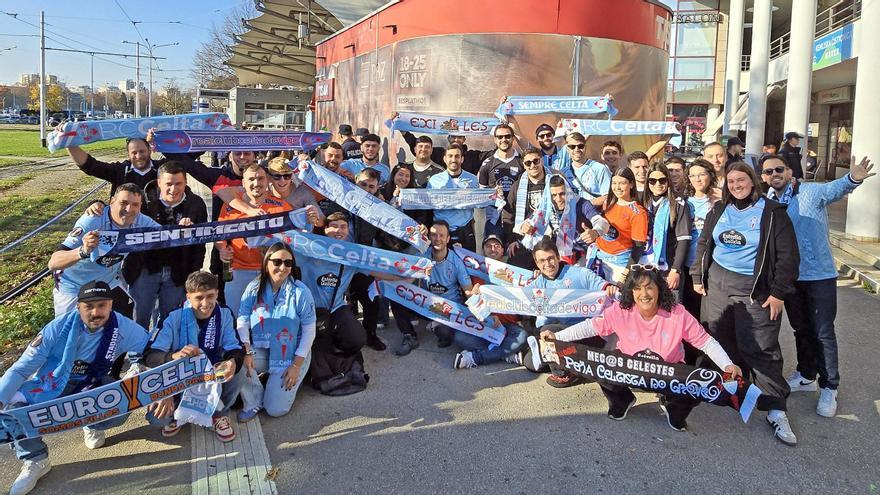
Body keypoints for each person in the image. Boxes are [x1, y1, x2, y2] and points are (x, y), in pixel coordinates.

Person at [541, 266, 742, 429]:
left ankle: (672, 407)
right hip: (628, 369)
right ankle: (622, 400)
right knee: (598, 363)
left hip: (668, 373)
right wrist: (557, 337)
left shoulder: (677, 313)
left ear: (659, 290)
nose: (643, 294)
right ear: (630, 291)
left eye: (649, 287)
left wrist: (727, 365)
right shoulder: (621, 310)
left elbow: (705, 341)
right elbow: (590, 327)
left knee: (698, 384)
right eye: (637, 288)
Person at [0, 281, 151, 495]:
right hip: (51, 384)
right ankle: (36, 460)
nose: (96, 312)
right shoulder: (56, 328)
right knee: (13, 409)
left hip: (92, 384)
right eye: (89, 306)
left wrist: (167, 359)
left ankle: (93, 424)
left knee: (124, 397)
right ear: (78, 307)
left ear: (111, 305)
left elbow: (151, 346)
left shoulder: (123, 326)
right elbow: (21, 369)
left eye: (101, 305)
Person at [691, 162, 800, 446]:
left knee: (760, 346)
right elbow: (704, 244)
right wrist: (697, 275)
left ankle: (775, 407)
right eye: (731, 181)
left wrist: (778, 293)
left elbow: (788, 258)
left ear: (752, 181)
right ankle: (727, 390)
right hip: (717, 285)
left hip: (755, 288)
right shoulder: (718, 210)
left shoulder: (772, 213)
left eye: (741, 180)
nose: (736, 185)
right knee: (717, 337)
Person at [762, 154, 875, 418]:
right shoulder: (768, 201)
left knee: (823, 331)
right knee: (801, 329)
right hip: (790, 277)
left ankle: (829, 385)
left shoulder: (811, 192)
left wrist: (853, 178)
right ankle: (806, 374)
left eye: (779, 169)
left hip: (819, 275)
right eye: (768, 171)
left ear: (789, 171)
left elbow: (834, 189)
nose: (774, 174)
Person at [143, 272, 243, 440]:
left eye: (210, 296)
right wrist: (173, 356)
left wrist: (233, 361)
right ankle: (177, 412)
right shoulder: (173, 316)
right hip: (179, 379)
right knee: (157, 418)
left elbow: (236, 347)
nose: (205, 303)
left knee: (239, 367)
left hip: (211, 376)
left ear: (217, 293)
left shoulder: (224, 313)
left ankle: (219, 414)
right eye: (199, 297)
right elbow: (150, 356)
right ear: (188, 296)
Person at [117, 161, 208, 330]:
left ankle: (162, 353)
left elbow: (200, 245)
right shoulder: (143, 201)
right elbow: (118, 209)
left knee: (170, 320)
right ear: (159, 182)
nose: (173, 189)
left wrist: (193, 273)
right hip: (144, 269)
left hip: (178, 272)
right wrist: (98, 204)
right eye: (168, 184)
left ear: (186, 182)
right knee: (139, 318)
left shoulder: (196, 204)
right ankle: (137, 355)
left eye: (178, 184)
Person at [48, 183, 160, 316]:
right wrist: (83, 251)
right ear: (112, 201)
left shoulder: (141, 221)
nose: (129, 209)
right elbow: (53, 263)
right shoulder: (92, 220)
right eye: (123, 203)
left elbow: (171, 235)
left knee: (125, 323)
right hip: (75, 286)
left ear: (140, 206)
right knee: (70, 332)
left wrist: (184, 227)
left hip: (108, 282)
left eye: (135, 204)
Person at [235, 244, 316, 421]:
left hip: (292, 353)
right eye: (277, 261)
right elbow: (242, 319)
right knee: (237, 360)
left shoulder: (301, 292)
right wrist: (247, 350)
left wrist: (296, 366)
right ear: (266, 263)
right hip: (264, 347)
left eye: (288, 263)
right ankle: (254, 400)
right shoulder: (254, 287)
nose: (283, 267)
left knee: (275, 409)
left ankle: (294, 376)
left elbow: (310, 331)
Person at [522, 238, 617, 385]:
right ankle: (567, 361)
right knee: (529, 362)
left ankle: (566, 373)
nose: (547, 264)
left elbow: (603, 286)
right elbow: (517, 299)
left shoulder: (579, 274)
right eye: (542, 261)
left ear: (558, 257)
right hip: (560, 336)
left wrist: (609, 288)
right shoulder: (537, 284)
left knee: (548, 330)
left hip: (587, 334)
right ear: (536, 263)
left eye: (550, 258)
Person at [216, 164, 292, 315]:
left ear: (267, 180)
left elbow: (294, 238)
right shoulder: (230, 206)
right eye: (251, 179)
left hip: (272, 272)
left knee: (271, 319)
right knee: (236, 318)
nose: (256, 183)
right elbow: (220, 237)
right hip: (239, 271)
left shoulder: (282, 206)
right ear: (243, 183)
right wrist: (222, 250)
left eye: (260, 178)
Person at [391, 220, 472, 356]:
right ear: (429, 237)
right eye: (434, 235)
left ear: (448, 239)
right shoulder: (422, 257)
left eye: (441, 235)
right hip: (424, 304)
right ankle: (409, 336)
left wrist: (478, 312)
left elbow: (468, 290)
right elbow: (407, 279)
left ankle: (440, 328)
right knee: (396, 295)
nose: (437, 239)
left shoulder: (456, 261)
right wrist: (381, 279)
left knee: (444, 333)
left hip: (447, 309)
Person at [451, 236, 529, 370]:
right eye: (488, 246)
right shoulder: (473, 272)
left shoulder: (513, 273)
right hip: (482, 323)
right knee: (459, 337)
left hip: (507, 326)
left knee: (522, 337)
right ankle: (505, 354)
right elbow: (468, 296)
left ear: (502, 250)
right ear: (483, 250)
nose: (493, 249)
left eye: (496, 246)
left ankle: (475, 358)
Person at [519, 174, 610, 265]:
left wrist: (595, 232)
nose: (558, 199)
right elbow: (530, 221)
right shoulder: (545, 206)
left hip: (584, 254)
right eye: (553, 195)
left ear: (568, 191)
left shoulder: (581, 204)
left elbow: (602, 222)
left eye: (562, 194)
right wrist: (524, 226)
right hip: (558, 253)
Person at [595, 168, 649, 284]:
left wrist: (626, 273)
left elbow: (638, 247)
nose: (617, 187)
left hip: (620, 265)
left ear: (631, 184)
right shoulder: (607, 203)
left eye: (622, 183)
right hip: (600, 259)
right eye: (614, 183)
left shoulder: (638, 212)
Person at [62, 133, 159, 197]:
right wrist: (68, 142)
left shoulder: (162, 168)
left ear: (149, 151)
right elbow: (90, 166)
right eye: (134, 153)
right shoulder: (119, 170)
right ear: (128, 154)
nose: (138, 156)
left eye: (142, 151)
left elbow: (174, 159)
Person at [644, 163, 692, 291]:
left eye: (662, 180)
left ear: (668, 180)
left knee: (671, 308)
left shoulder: (678, 203)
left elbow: (684, 239)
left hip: (668, 266)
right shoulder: (644, 202)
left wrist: (675, 269)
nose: (658, 184)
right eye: (652, 181)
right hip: (646, 265)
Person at [681, 158, 719, 319]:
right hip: (687, 265)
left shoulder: (719, 201)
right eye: (693, 176)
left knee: (709, 316)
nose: (697, 179)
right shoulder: (683, 202)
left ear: (710, 175)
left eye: (701, 174)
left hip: (710, 267)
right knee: (690, 314)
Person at [426, 144, 480, 251]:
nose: (453, 159)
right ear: (445, 159)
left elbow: (480, 201)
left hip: (464, 231)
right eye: (450, 156)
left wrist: (495, 195)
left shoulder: (473, 179)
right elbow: (426, 204)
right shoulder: (434, 181)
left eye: (457, 156)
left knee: (468, 265)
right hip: (441, 232)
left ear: (462, 159)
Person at [478, 124, 523, 241]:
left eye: (507, 136)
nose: (504, 140)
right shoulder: (487, 164)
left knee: (516, 254)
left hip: (517, 217)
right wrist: (494, 195)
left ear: (513, 138)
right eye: (500, 137)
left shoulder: (522, 161)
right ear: (495, 139)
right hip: (495, 218)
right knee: (493, 252)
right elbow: (481, 194)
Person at [505, 148, 547, 267]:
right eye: (528, 163)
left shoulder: (554, 179)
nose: (532, 165)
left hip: (550, 238)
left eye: (535, 161)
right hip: (524, 239)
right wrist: (512, 240)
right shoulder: (517, 186)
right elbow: (508, 215)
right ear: (524, 165)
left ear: (542, 161)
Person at [559, 132, 612, 202]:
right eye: (572, 147)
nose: (576, 149)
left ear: (585, 147)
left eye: (580, 146)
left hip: (596, 211)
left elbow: (608, 196)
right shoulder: (563, 173)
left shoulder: (599, 168)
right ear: (568, 150)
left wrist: (587, 207)